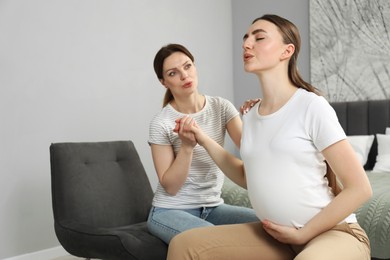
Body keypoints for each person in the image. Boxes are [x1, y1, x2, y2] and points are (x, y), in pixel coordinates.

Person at [167, 14, 372, 260]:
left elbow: (360, 188)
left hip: (333, 233)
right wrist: (202, 137)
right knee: (184, 244)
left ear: (287, 51)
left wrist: (303, 234)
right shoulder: (251, 115)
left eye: (259, 37)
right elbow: (247, 176)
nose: (246, 44)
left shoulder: (311, 106)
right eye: (245, 38)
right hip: (276, 237)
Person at [147, 43, 258, 244]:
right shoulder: (161, 123)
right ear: (164, 82)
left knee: (267, 226)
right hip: (169, 210)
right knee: (214, 240)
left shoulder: (221, 107)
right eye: (173, 73)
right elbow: (171, 187)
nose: (184, 75)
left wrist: (258, 119)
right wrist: (187, 148)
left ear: (195, 67)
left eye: (187, 66)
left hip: (213, 207)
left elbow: (253, 153)